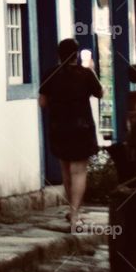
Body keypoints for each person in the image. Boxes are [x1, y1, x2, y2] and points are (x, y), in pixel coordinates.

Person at [39, 38, 103, 230]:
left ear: (59, 54)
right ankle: (75, 215)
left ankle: (71, 210)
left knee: (66, 172)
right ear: (76, 54)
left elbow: (42, 102)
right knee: (79, 171)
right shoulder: (85, 74)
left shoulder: (51, 74)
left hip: (59, 128)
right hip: (81, 127)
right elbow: (99, 93)